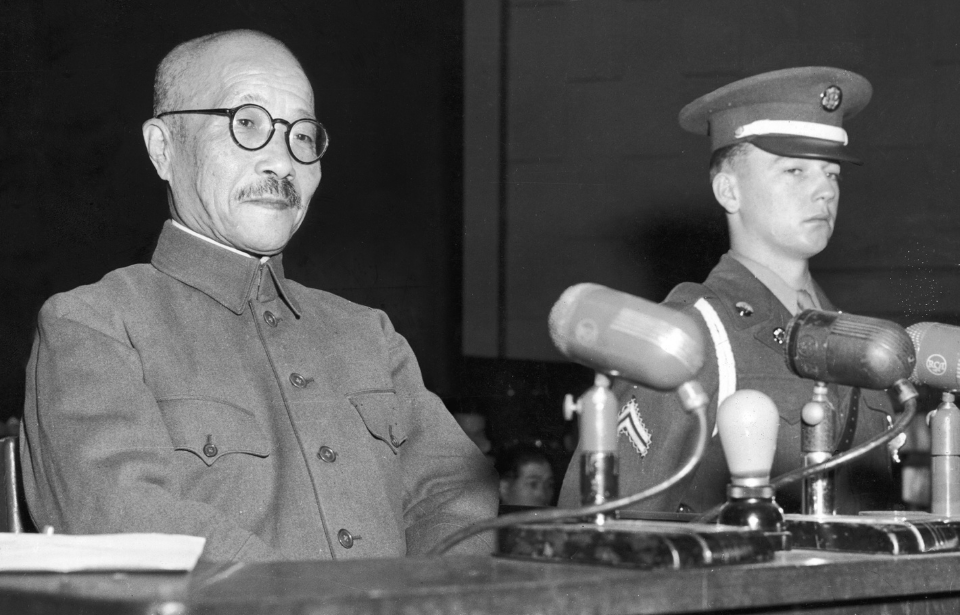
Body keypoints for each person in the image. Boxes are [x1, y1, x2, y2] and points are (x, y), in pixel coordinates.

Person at [20, 29, 498, 561]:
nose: (282, 162)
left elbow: (460, 495)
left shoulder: (369, 335)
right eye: (247, 124)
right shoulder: (96, 324)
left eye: (301, 136)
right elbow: (122, 518)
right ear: (163, 149)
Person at [559, 67, 896, 515]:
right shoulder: (694, 335)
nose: (823, 192)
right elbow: (609, 529)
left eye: (831, 174)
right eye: (795, 170)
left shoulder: (858, 341)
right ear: (728, 190)